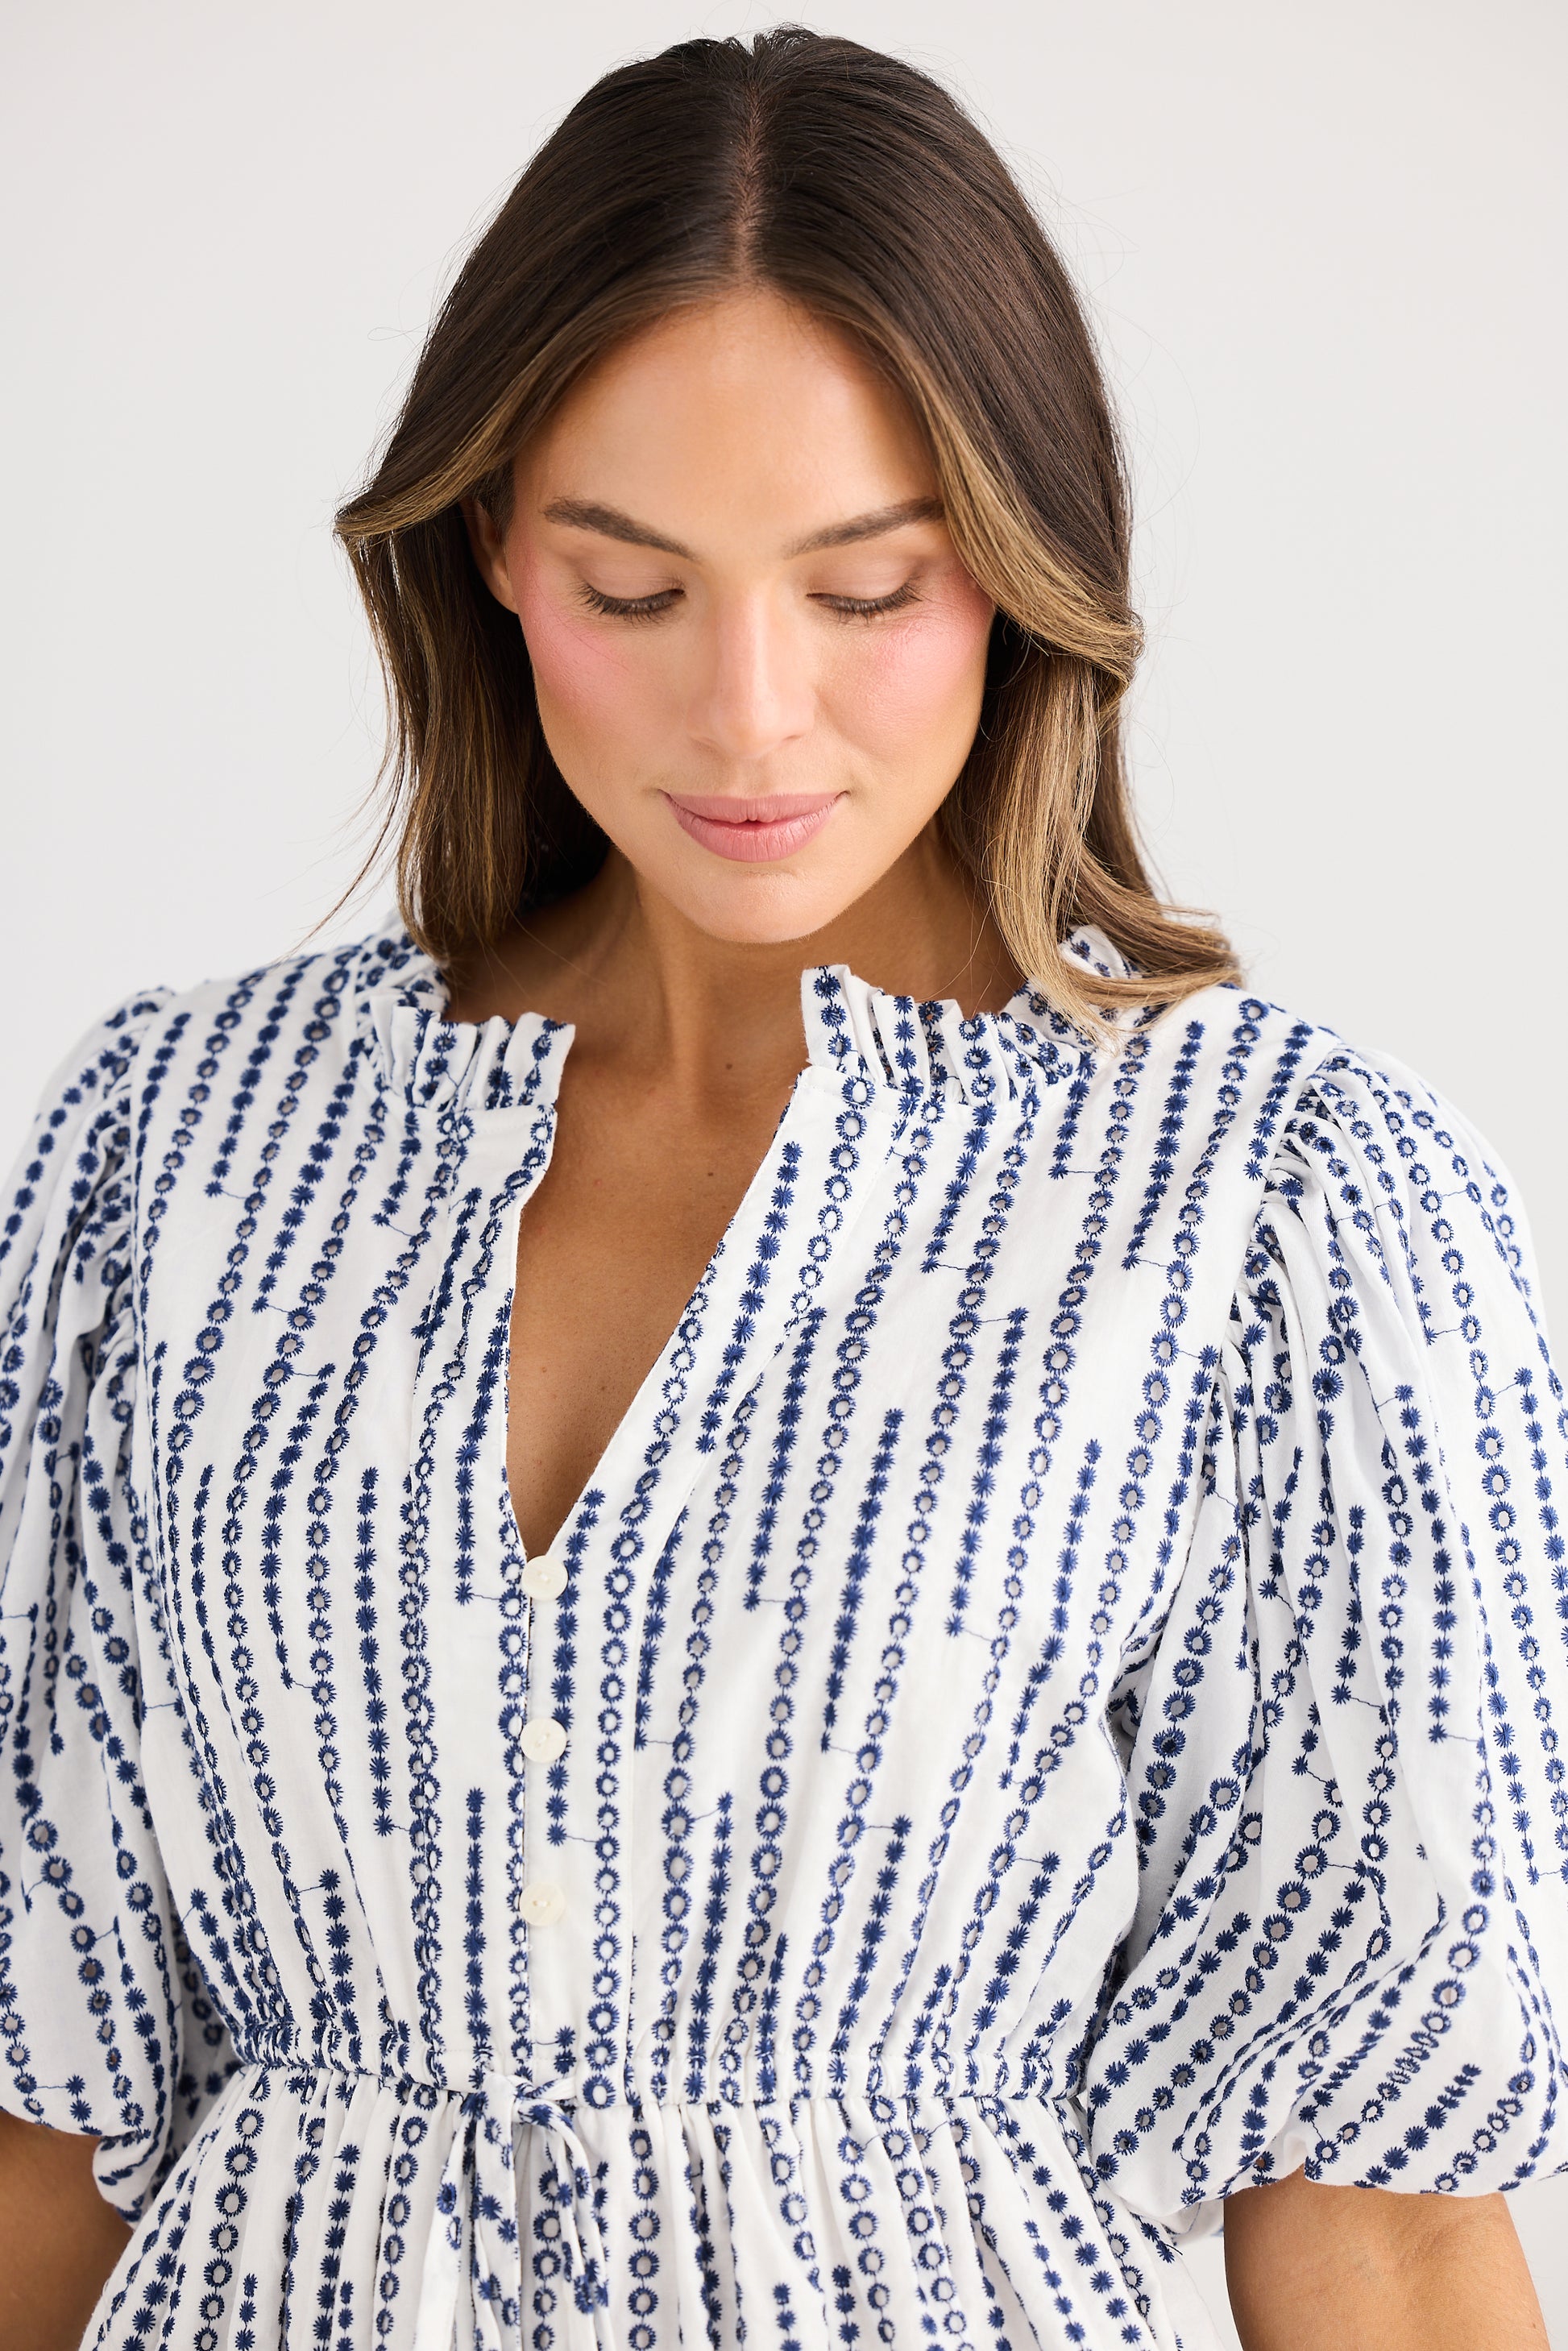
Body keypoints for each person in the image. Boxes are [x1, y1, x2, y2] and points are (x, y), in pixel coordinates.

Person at [0, 27, 1558, 2351]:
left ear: (1025, 577)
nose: (750, 720)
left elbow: (1380, 2214)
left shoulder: (1273, 1207)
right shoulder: (183, 1154)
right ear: (494, 555)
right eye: (634, 592)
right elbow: (39, 2113)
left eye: (865, 592)